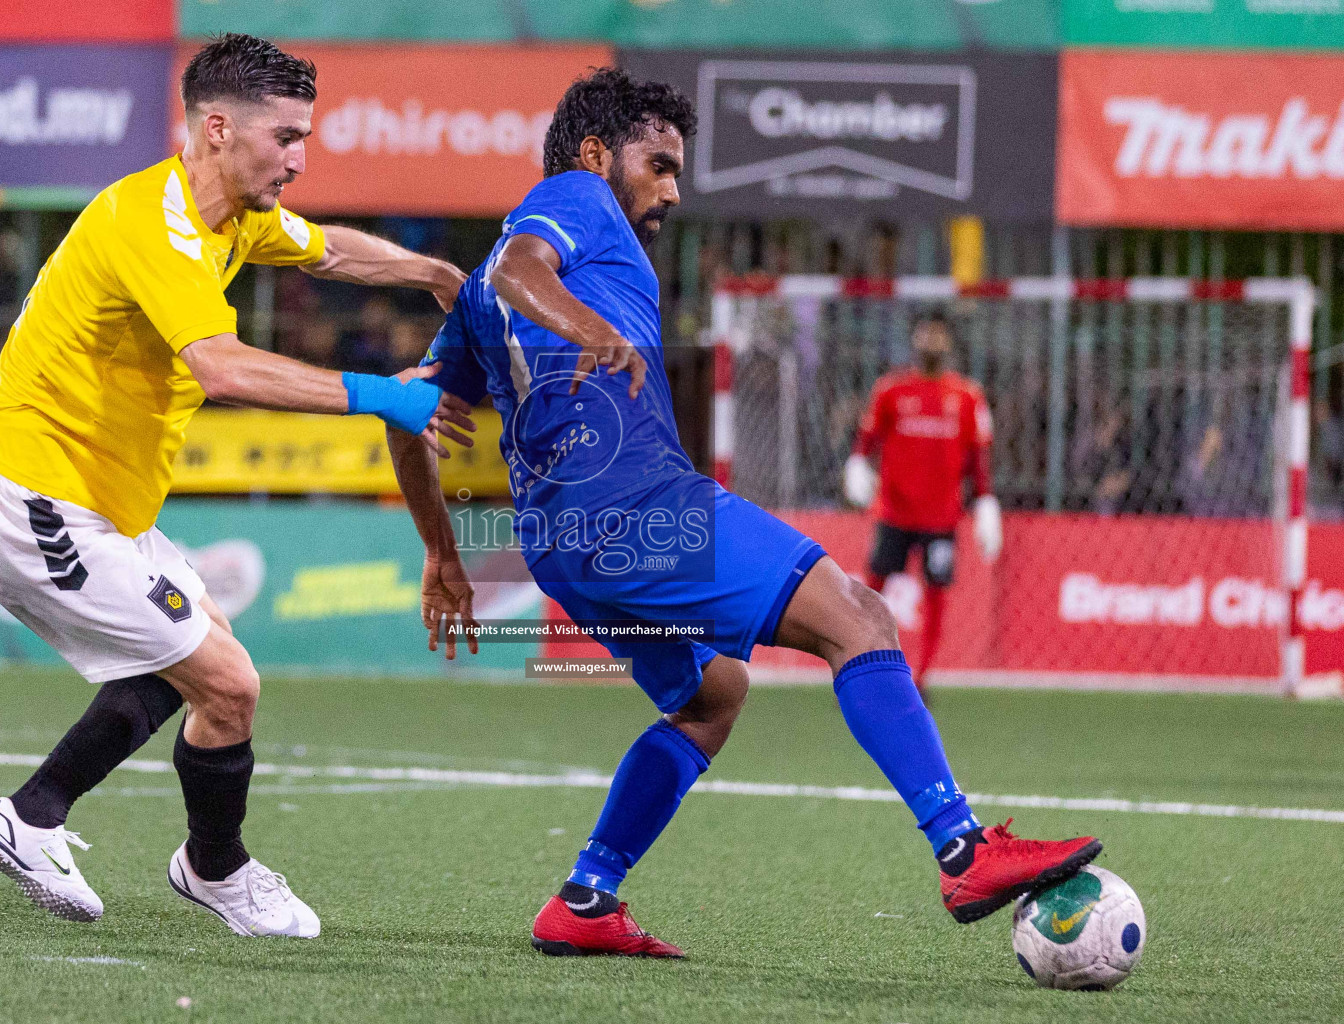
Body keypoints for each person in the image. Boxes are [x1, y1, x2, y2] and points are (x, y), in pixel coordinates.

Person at [385, 68, 1100, 958]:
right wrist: (587, 328)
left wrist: (441, 557)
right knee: (860, 618)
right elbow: (533, 270)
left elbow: (405, 415)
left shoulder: (476, 289)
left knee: (712, 696)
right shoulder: (571, 200)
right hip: (638, 508)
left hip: (559, 549)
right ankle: (962, 848)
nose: (672, 189)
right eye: (659, 164)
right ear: (597, 154)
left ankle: (586, 899)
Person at [0, 34, 476, 939]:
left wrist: (432, 273)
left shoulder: (233, 217)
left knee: (201, 649)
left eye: (304, 136)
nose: (299, 158)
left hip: (100, 504)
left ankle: (34, 815)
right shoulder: (151, 224)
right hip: (40, 496)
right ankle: (217, 872)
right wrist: (384, 396)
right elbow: (223, 368)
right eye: (284, 137)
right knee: (229, 685)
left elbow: (326, 254)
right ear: (217, 126)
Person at [842, 313, 1001, 696]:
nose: (931, 339)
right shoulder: (891, 391)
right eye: (925, 332)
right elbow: (865, 444)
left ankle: (920, 678)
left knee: (935, 597)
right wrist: (857, 468)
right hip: (895, 513)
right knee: (872, 592)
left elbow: (978, 463)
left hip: (941, 518)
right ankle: (856, 668)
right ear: (913, 339)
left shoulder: (967, 397)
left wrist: (986, 505)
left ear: (949, 342)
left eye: (939, 333)